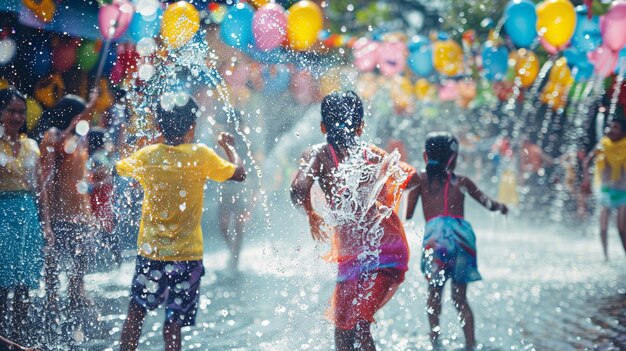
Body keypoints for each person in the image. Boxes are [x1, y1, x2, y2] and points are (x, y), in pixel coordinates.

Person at [117, 94, 246, 351]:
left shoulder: (148, 156)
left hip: (151, 253)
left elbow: (120, 166)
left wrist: (149, 141)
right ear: (192, 126)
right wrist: (228, 146)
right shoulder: (201, 155)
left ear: (158, 124)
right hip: (187, 256)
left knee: (136, 314)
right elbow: (239, 173)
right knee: (173, 323)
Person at [291, 91, 415, 351]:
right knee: (351, 325)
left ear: (322, 126)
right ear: (360, 127)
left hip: (370, 253)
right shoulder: (371, 154)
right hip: (386, 248)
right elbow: (411, 180)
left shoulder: (318, 154)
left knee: (352, 328)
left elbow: (298, 189)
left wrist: (310, 212)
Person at [405, 132, 508, 350]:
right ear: (454, 158)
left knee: (434, 294)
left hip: (436, 240)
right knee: (460, 297)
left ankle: (435, 341)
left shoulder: (421, 180)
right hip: (462, 239)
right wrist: (502, 207)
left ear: (425, 155)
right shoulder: (462, 181)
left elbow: (408, 214)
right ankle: (470, 343)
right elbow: (489, 204)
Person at [39, 92, 98, 322]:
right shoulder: (54, 136)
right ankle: (51, 299)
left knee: (79, 258)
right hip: (58, 211)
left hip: (79, 212)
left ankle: (76, 293)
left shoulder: (79, 139)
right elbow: (61, 150)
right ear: (72, 116)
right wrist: (90, 105)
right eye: (82, 115)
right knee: (53, 259)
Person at [0, 89, 52, 343]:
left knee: (23, 283)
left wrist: (47, 225)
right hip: (1, 215)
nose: (17, 116)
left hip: (27, 216)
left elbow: (40, 188)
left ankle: (19, 338)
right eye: (11, 110)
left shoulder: (32, 146)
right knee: (1, 283)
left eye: (21, 111)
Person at [583, 118, 626, 261]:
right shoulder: (604, 144)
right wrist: (587, 179)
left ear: (622, 131)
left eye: (616, 127)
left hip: (622, 192)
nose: (611, 130)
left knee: (621, 229)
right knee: (602, 229)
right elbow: (587, 160)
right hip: (606, 190)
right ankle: (606, 257)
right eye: (610, 126)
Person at [86, 128, 119, 265]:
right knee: (109, 231)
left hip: (99, 197)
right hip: (105, 196)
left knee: (101, 229)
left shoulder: (96, 157)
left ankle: (99, 262)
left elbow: (91, 179)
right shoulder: (102, 156)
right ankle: (117, 261)